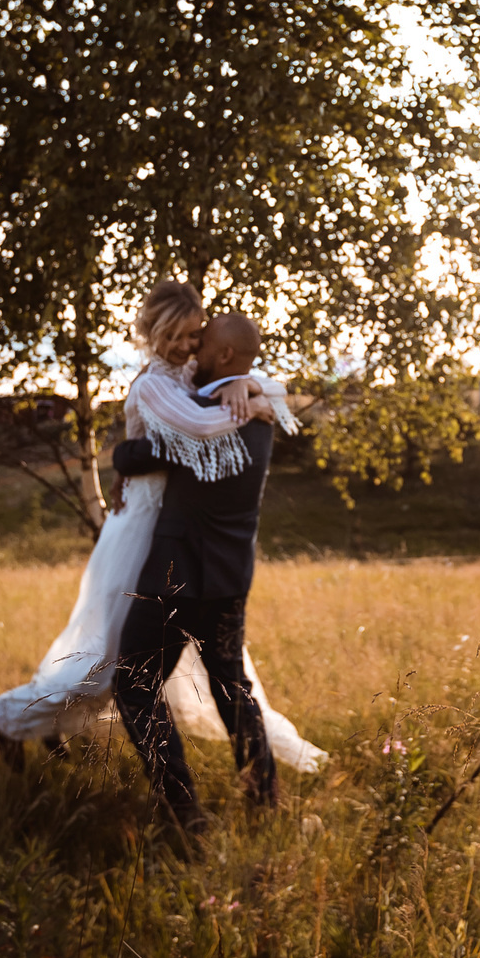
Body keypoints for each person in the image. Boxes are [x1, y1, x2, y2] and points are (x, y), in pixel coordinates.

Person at [0, 284, 325, 778]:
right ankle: (16, 720)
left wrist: (247, 385)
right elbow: (197, 427)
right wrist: (249, 401)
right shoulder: (153, 384)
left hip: (174, 527)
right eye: (187, 335)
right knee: (103, 661)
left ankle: (47, 725)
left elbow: (246, 379)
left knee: (173, 671)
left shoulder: (188, 372)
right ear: (162, 334)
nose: (193, 344)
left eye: (198, 336)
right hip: (143, 528)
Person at [107, 309, 288, 830]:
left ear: (225, 355)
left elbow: (133, 455)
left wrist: (122, 452)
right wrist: (252, 388)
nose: (195, 349)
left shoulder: (200, 411)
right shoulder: (261, 412)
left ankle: (184, 810)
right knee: (233, 686)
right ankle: (265, 798)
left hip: (174, 574)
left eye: (204, 341)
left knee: (135, 686)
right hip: (231, 578)